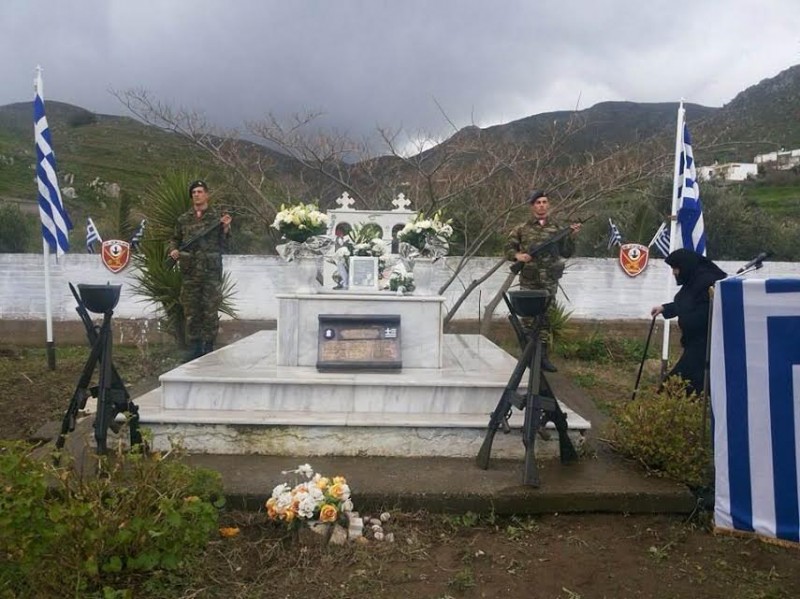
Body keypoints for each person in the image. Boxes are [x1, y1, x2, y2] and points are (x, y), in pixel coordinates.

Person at [505, 189, 582, 372]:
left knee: (545, 318)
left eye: (544, 202)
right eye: (538, 202)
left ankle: (543, 357)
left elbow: (566, 253)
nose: (542, 205)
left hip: (548, 280)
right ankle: (528, 357)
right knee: (528, 320)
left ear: (548, 205)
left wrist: (571, 237)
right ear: (532, 206)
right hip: (530, 279)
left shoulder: (556, 228)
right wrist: (519, 256)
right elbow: (508, 249)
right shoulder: (521, 229)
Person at [168, 180, 232, 361]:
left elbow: (226, 246)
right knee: (191, 310)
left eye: (200, 191)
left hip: (211, 272)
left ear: (207, 195)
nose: (197, 194)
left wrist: (226, 228)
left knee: (210, 309)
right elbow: (175, 239)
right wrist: (173, 250)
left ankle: (208, 346)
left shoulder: (217, 218)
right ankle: (195, 347)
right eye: (194, 192)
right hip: (189, 272)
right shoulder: (183, 219)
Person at [650, 248, 726, 396]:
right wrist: (664, 308)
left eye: (675, 268)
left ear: (685, 265)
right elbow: (687, 302)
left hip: (706, 346)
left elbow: (699, 311)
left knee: (680, 384)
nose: (674, 273)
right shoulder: (696, 280)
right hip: (696, 345)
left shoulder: (707, 281)